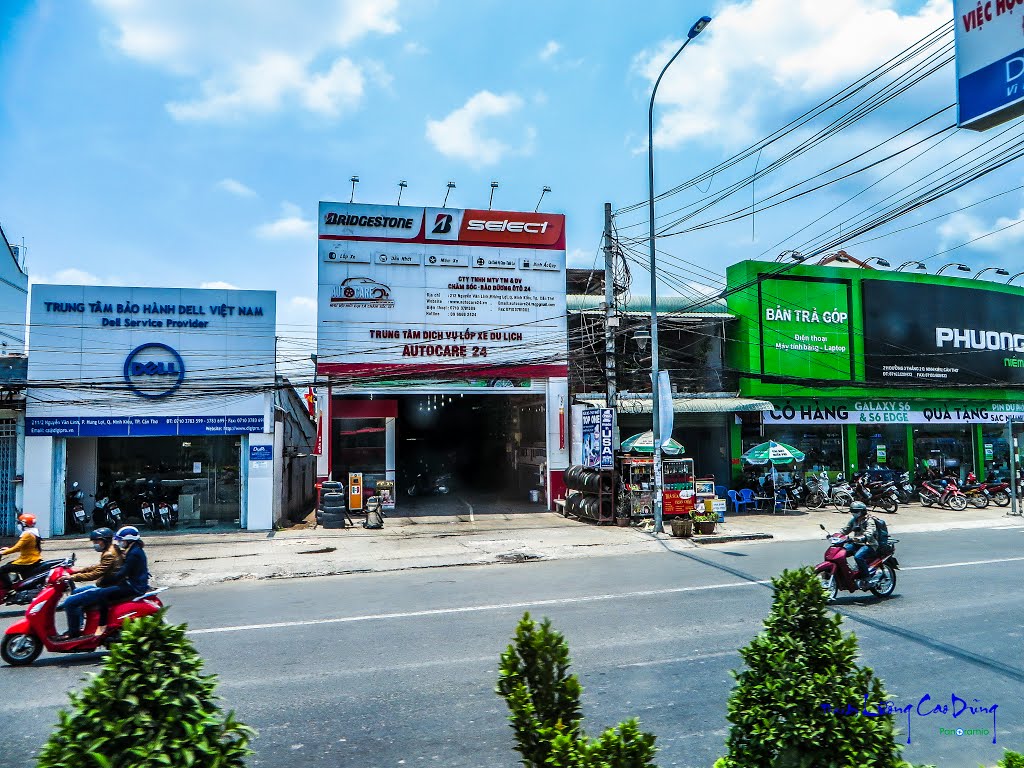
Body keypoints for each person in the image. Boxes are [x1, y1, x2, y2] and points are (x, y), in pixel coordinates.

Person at [57, 527, 124, 638]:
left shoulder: (109, 554)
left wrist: (72, 577)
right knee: (76, 592)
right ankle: (80, 624)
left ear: (105, 540)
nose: (95, 544)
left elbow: (95, 574)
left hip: (106, 587)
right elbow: (99, 567)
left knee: (70, 602)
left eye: (97, 541)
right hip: (106, 584)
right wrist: (80, 569)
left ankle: (73, 633)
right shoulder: (112, 549)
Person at [840, 501, 878, 587]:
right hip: (856, 543)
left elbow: (870, 531)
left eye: (856, 511)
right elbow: (845, 530)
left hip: (869, 544)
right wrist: (836, 535)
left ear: (863, 511)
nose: (854, 513)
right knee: (841, 552)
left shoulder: (869, 520)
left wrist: (864, 537)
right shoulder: (854, 520)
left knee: (858, 556)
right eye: (852, 511)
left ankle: (867, 578)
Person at [0, 513, 42, 590]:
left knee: (2, 569)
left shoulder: (27, 534)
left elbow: (17, 548)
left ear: (23, 524)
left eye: (19, 523)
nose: (18, 525)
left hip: (27, 560)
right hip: (33, 558)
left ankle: (9, 588)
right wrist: (7, 549)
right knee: (9, 565)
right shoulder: (34, 532)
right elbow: (21, 546)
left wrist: (3, 552)